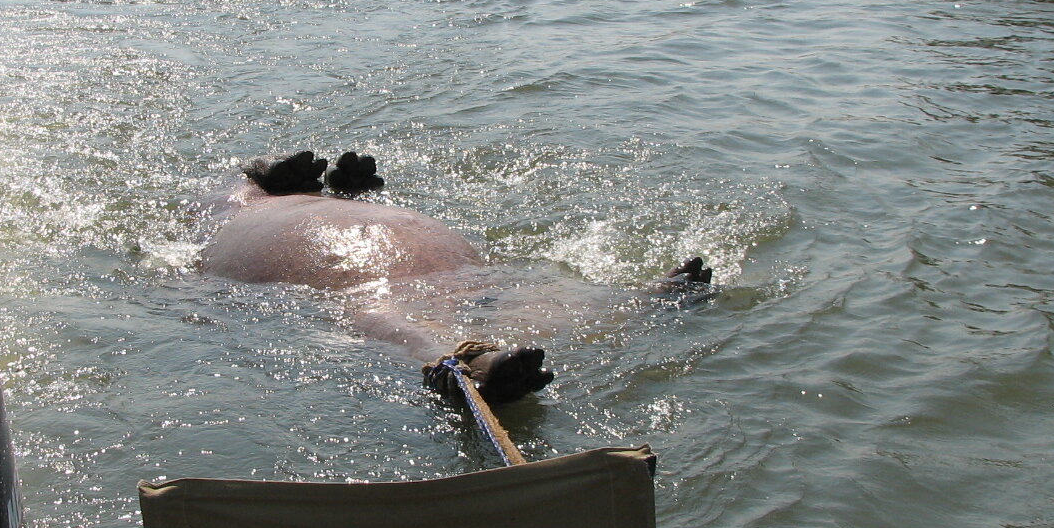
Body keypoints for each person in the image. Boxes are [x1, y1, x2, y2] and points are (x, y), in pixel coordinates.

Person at [199, 151, 713, 404]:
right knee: (382, 307)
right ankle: (462, 364)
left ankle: (631, 300)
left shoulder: (242, 207)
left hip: (430, 261)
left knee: (495, 290)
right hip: (369, 270)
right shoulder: (231, 205)